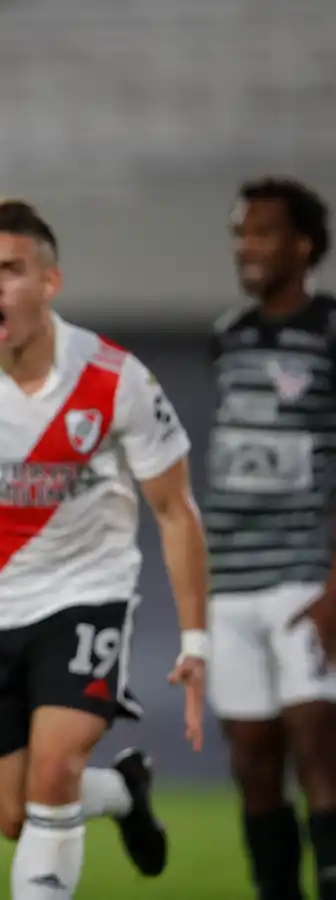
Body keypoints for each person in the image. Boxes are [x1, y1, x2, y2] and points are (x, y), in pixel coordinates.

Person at [0, 199, 209, 900]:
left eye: (11, 270)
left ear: (49, 283)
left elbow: (175, 510)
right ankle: (124, 792)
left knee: (52, 777)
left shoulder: (115, 378)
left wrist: (196, 639)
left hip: (88, 599)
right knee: (15, 813)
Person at [206, 176, 336, 900]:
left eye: (260, 233)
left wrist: (334, 589)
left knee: (318, 746)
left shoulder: (329, 330)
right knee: (253, 759)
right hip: (233, 583)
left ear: (303, 244)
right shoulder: (229, 334)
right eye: (239, 234)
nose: (245, 248)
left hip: (303, 577)